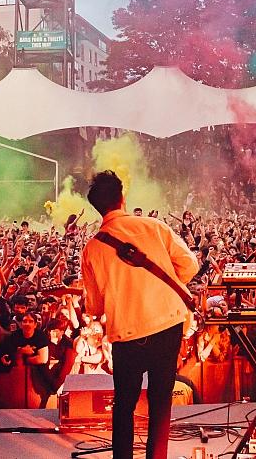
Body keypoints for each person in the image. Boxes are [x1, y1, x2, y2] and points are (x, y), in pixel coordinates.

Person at [81, 170, 199, 459]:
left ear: (97, 206)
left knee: (125, 404)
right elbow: (190, 266)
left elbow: (94, 307)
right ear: (122, 197)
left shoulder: (93, 248)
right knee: (161, 403)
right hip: (167, 323)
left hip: (127, 333)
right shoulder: (154, 227)